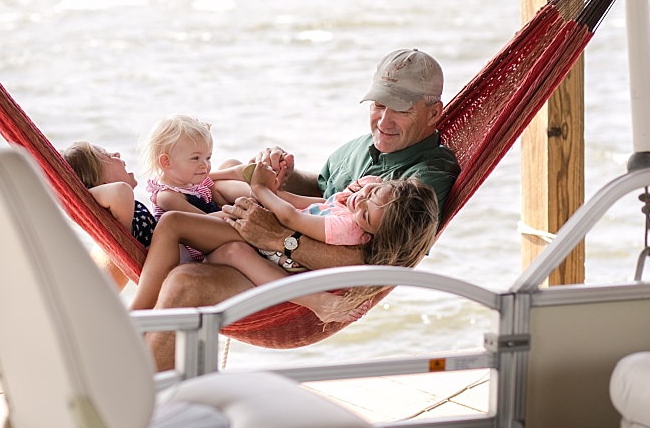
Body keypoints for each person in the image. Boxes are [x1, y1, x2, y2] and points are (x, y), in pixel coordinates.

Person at [145, 48, 461, 371]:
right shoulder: (364, 146)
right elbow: (324, 195)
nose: (383, 121)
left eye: (400, 109)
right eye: (378, 105)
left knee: (185, 282)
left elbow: (376, 261)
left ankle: (135, 386)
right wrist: (283, 173)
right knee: (224, 173)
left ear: (433, 113)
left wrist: (280, 237)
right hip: (285, 238)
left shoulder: (425, 181)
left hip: (299, 276)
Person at [129, 161, 438, 324]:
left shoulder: (347, 228)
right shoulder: (354, 204)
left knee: (172, 223)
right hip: (259, 241)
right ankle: (202, 199)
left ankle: (137, 314)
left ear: (369, 232)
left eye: (366, 214)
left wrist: (262, 189)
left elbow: (290, 217)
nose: (360, 201)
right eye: (371, 193)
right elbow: (301, 203)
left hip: (268, 244)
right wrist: (270, 188)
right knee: (231, 248)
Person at [141, 114, 241, 261]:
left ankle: (259, 195)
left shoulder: (186, 179)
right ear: (167, 162)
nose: (205, 165)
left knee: (230, 164)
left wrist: (235, 173)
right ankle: (261, 199)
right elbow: (203, 222)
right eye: (195, 158)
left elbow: (217, 189)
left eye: (208, 158)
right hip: (199, 247)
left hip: (212, 221)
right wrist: (236, 212)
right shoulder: (167, 196)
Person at [62, 141, 157, 289]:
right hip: (168, 264)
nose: (117, 154)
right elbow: (121, 191)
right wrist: (79, 197)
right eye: (108, 156)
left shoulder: (124, 211)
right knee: (171, 221)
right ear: (103, 183)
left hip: (173, 254)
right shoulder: (121, 216)